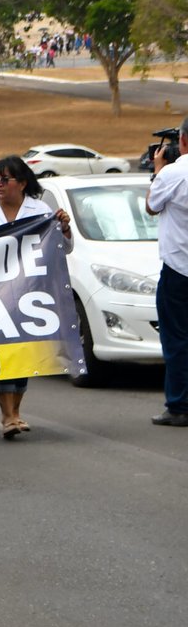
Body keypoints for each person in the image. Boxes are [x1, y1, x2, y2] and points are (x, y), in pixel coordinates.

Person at [0, 156, 72, 439]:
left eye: (5, 179)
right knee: (0, 351)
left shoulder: (40, 210)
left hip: (30, 293)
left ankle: (16, 410)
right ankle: (7, 415)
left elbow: (63, 248)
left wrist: (65, 228)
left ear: (22, 183)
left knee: (22, 351)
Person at [145, 123, 188, 426]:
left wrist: (159, 168)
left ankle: (179, 405)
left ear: (183, 140)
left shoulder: (173, 173)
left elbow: (151, 206)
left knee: (177, 339)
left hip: (179, 269)